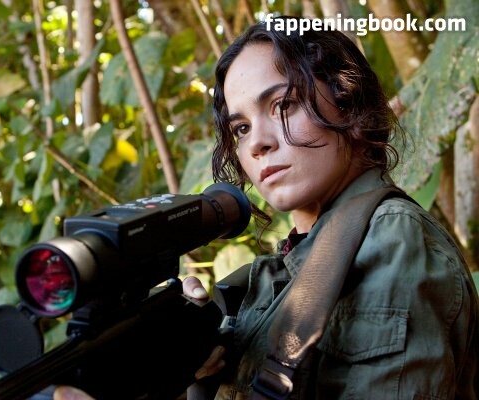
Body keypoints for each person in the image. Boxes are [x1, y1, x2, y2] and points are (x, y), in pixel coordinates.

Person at [55, 17, 479, 399]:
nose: (257, 142)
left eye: (283, 105)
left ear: (348, 100)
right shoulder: (292, 264)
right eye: (241, 127)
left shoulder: (391, 240)